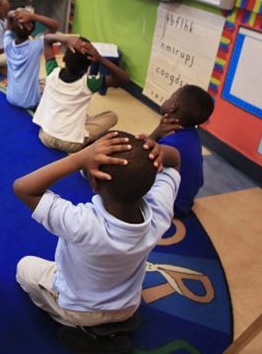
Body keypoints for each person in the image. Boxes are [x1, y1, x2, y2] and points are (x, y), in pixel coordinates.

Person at [12, 131, 180, 345]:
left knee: (23, 267)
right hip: (128, 305)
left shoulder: (81, 222)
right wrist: (160, 151)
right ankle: (111, 326)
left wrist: (78, 158)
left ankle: (82, 329)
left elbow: (23, 188)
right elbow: (175, 163)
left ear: (94, 183)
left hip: (80, 309)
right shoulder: (160, 212)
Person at [33, 37, 130, 153]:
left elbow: (47, 40)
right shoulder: (89, 83)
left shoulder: (52, 71)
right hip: (71, 144)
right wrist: (101, 59)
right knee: (111, 116)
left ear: (63, 58)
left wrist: (66, 39)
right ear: (88, 67)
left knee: (44, 83)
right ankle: (85, 143)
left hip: (45, 136)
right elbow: (124, 79)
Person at [149, 84, 215, 217]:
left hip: (170, 206)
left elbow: (139, 157)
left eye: (170, 97)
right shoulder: (192, 134)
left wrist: (155, 134)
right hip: (185, 201)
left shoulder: (171, 143)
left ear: (174, 107)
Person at [3, 8, 60, 109]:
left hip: (11, 98)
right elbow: (55, 26)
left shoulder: (7, 44)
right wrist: (33, 16)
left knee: (41, 82)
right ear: (32, 29)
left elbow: (8, 16)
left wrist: (17, 15)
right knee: (54, 83)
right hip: (30, 103)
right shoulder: (36, 46)